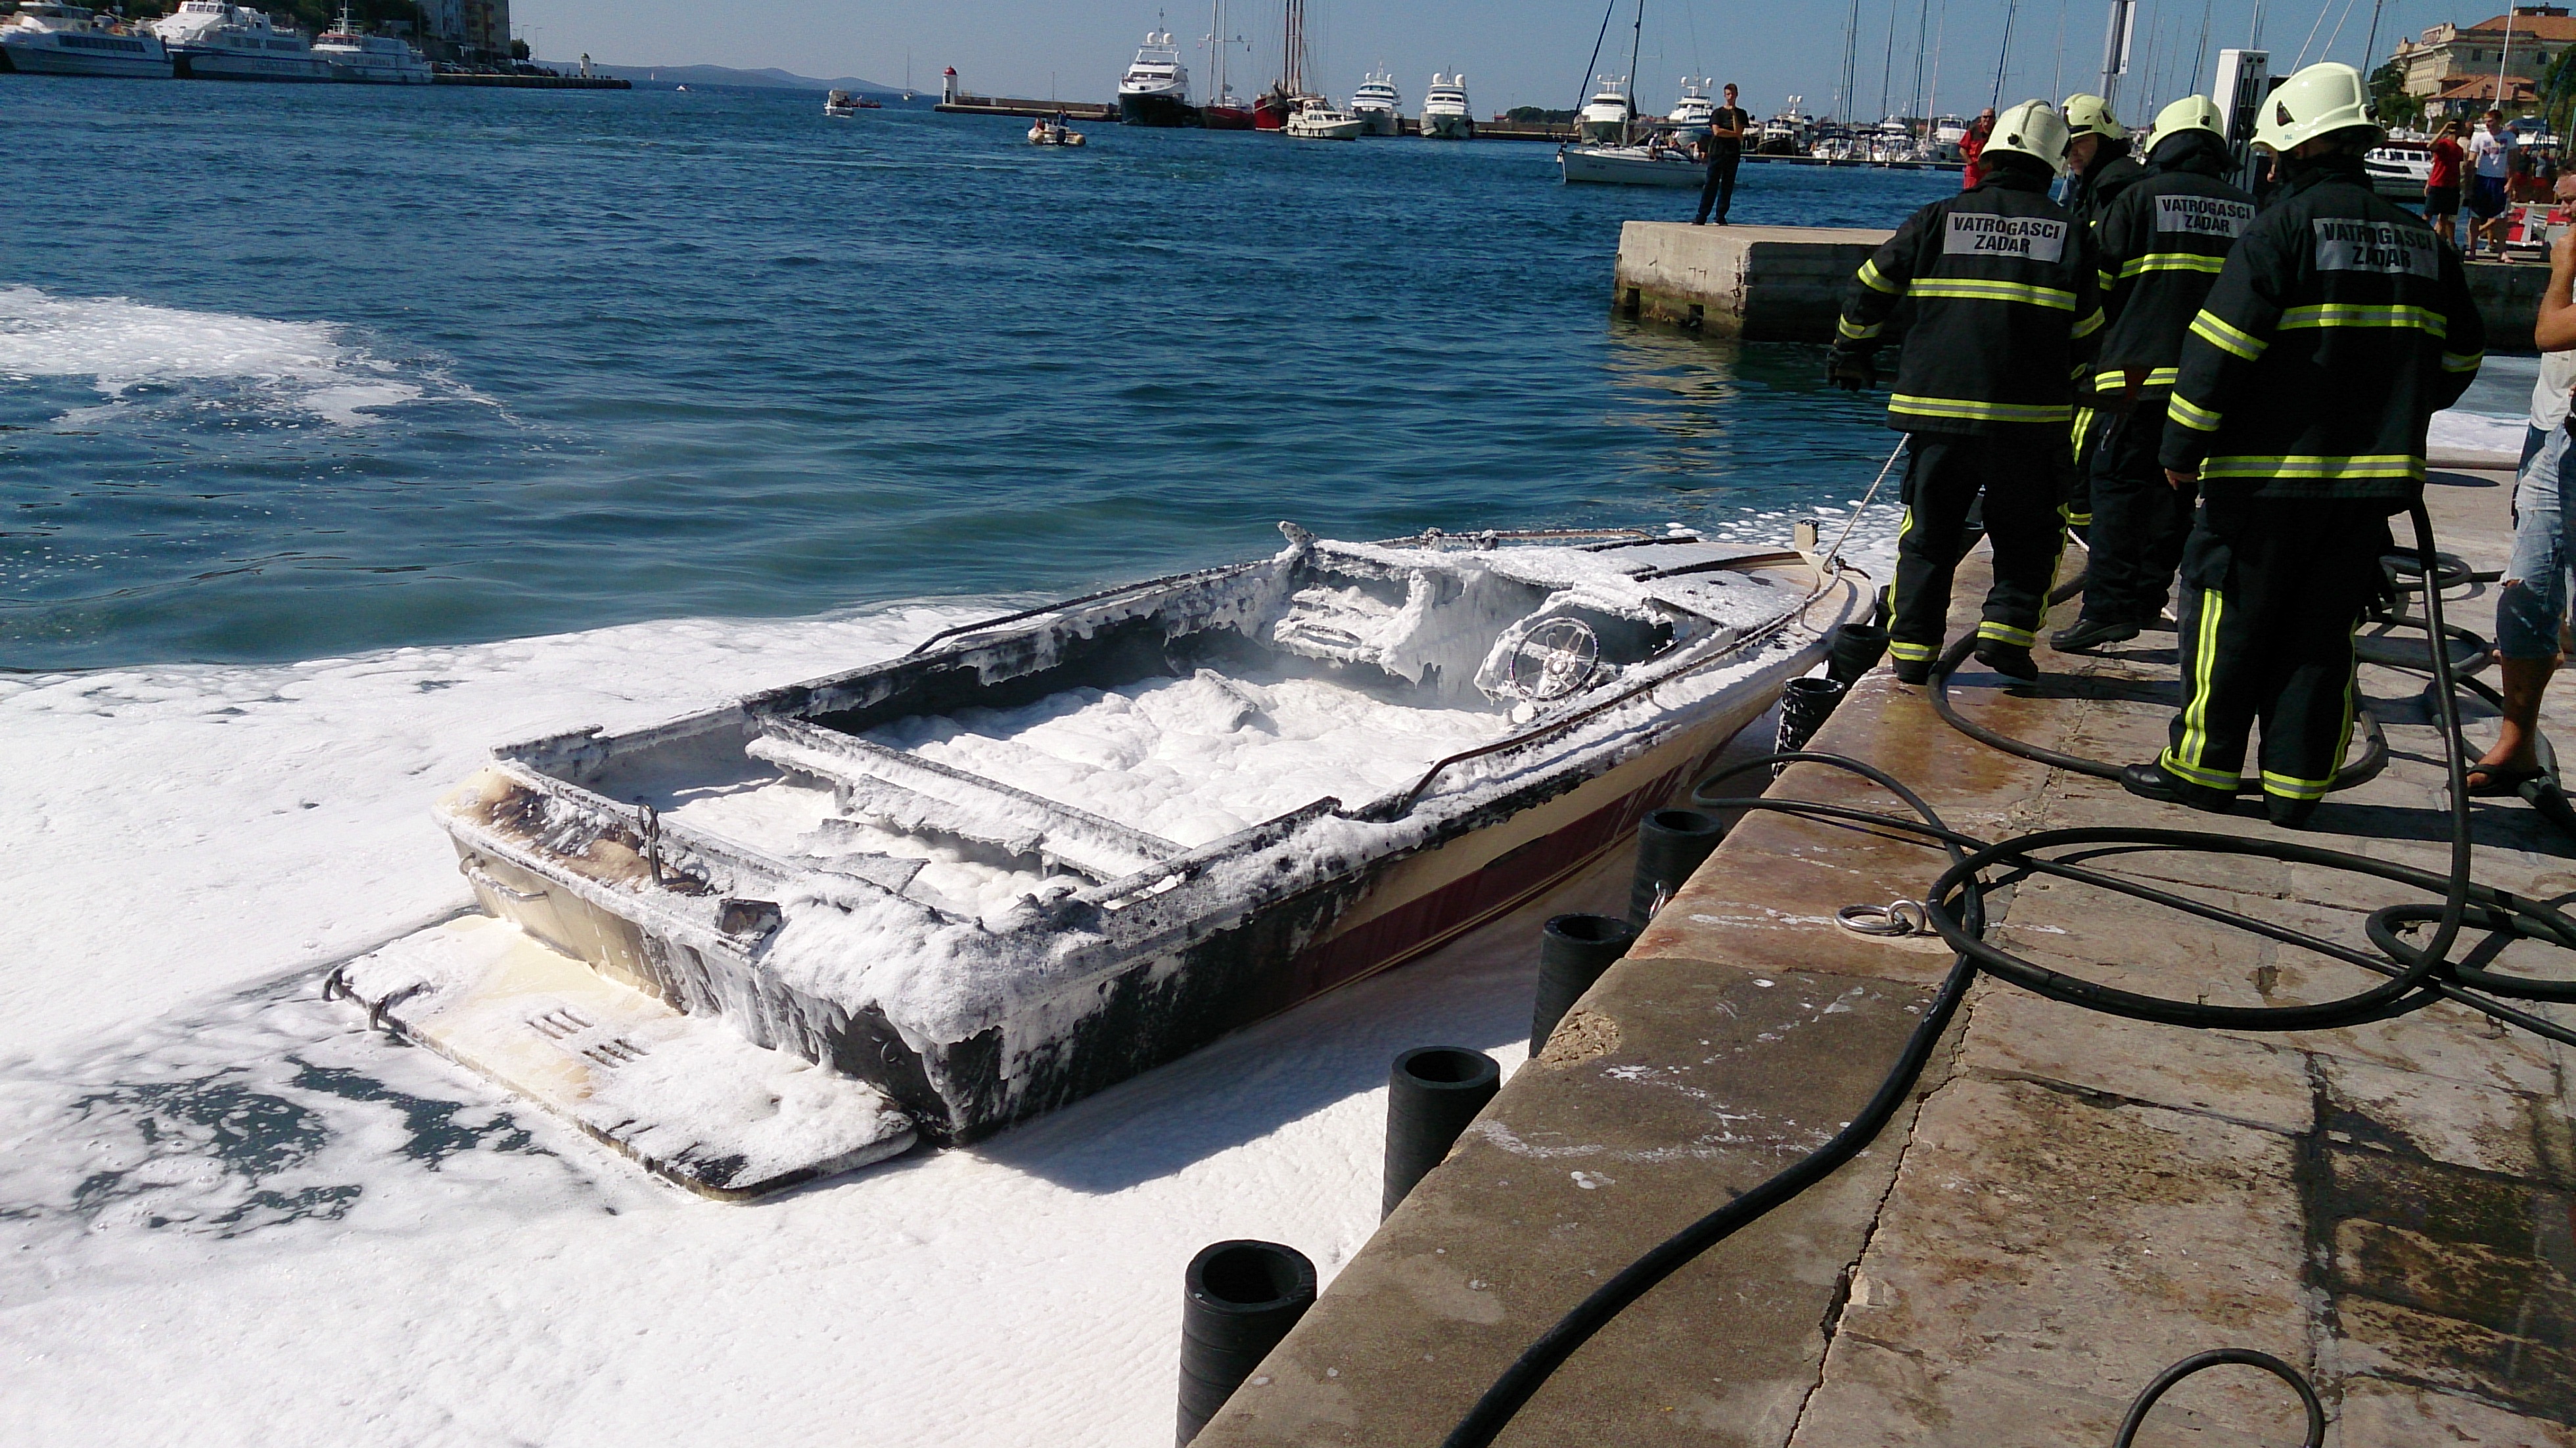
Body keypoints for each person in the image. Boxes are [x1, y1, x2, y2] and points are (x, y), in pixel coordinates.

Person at [2121, 62, 2484, 828]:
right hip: (2366, 487)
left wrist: (2181, 446)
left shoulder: (2279, 231)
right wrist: (2391, 412)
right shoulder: (2421, 240)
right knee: (2321, 633)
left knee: (2230, 622)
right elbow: (2458, 360)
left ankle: (2201, 769)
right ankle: (2294, 787)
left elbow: (2215, 350)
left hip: (2261, 480)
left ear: (2287, 147)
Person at [1829, 99, 2104, 685]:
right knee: (2028, 532)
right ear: (2051, 166)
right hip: (2031, 422)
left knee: (1929, 534)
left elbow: (1870, 287)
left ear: (1993, 155)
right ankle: (2006, 635)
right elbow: (2088, 336)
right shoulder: (2072, 236)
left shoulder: (1937, 219)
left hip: (1938, 415)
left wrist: (1851, 352)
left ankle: (1911, 651)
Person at [2052, 96, 2259, 654]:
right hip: (2217, 382)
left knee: (2117, 491)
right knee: (2176, 494)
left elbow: (2093, 286)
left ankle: (2108, 608)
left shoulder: (2137, 199)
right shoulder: (2248, 209)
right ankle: (2147, 596)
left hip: (2135, 379)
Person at [2469, 173, 2576, 794]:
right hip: (2553, 435)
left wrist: (2561, 268)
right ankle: (2517, 741)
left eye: (2573, 202)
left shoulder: (2569, 260)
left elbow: (2550, 332)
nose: (2561, 213)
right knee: (2527, 590)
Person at [2061, 93, 2146, 226]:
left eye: (2080, 142)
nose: (2071, 153)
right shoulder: (2095, 180)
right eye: (2067, 146)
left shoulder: (2115, 184)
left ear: (2103, 139)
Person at [1693, 83, 1751, 225]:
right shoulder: (1717, 113)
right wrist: (1733, 134)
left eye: (1732, 94)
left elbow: (1740, 133)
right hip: (1717, 152)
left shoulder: (1741, 114)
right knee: (1710, 184)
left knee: (1727, 186)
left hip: (1733, 153)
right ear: (1724, 95)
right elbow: (1717, 131)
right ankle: (1702, 216)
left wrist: (1734, 117)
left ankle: (1720, 217)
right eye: (1728, 94)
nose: (1730, 97)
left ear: (1737, 95)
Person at [2470, 108, 2516, 258]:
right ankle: (2472, 250)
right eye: (2485, 121)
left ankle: (2503, 252)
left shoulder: (2509, 137)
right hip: (2482, 179)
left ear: (2498, 121)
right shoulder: (2479, 137)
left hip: (2499, 180)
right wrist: (2469, 179)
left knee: (2501, 217)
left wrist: (2510, 181)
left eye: (2490, 121)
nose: (2487, 124)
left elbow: (2513, 161)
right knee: (2475, 216)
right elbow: (2472, 158)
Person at [2426, 120, 2466, 250]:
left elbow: (2457, 169)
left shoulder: (2459, 149)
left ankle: (2439, 244)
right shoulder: (2443, 144)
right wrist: (2444, 128)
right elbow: (2430, 146)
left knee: (2444, 217)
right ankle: (2422, 236)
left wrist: (2458, 186)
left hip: (2451, 187)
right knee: (2428, 214)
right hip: (2437, 184)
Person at [1960, 106, 1996, 191]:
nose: (1987, 119)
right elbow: (1962, 150)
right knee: (1970, 195)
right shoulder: (1973, 131)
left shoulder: (1997, 132)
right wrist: (1971, 163)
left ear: (1994, 119)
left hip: (1989, 170)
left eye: (1990, 117)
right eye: (1985, 117)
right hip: (1974, 170)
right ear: (1981, 118)